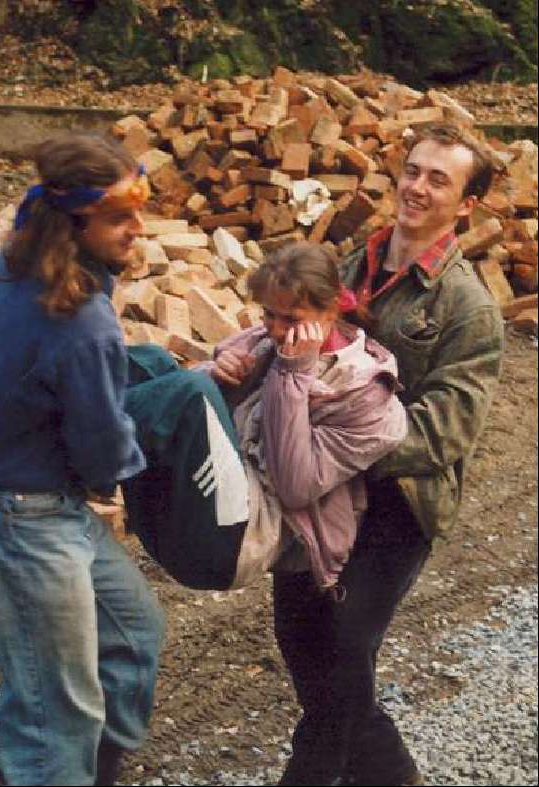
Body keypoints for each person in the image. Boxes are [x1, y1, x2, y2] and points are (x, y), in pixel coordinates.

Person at [272, 123, 505, 787]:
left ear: (466, 204)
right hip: (319, 487)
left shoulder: (468, 307)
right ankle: (392, 774)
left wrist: (339, 447)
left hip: (398, 501)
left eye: (438, 179)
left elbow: (447, 429)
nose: (417, 187)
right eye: (413, 170)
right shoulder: (349, 267)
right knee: (300, 633)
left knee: (344, 645)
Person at [0, 133, 165, 787]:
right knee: (55, 712)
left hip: (42, 503)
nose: (138, 229)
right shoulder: (82, 321)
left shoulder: (13, 266)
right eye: (120, 217)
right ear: (74, 223)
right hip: (19, 519)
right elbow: (103, 452)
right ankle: (48, 771)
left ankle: (82, 772)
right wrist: (147, 458)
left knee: (133, 633)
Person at [121, 243, 407, 597]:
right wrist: (217, 374)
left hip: (236, 538)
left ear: (331, 309)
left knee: (192, 392)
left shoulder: (366, 396)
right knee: (149, 362)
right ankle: (67, 414)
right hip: (176, 515)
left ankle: (76, 440)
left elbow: (295, 486)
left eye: (292, 319)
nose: (277, 329)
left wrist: (292, 374)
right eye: (269, 315)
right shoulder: (266, 340)